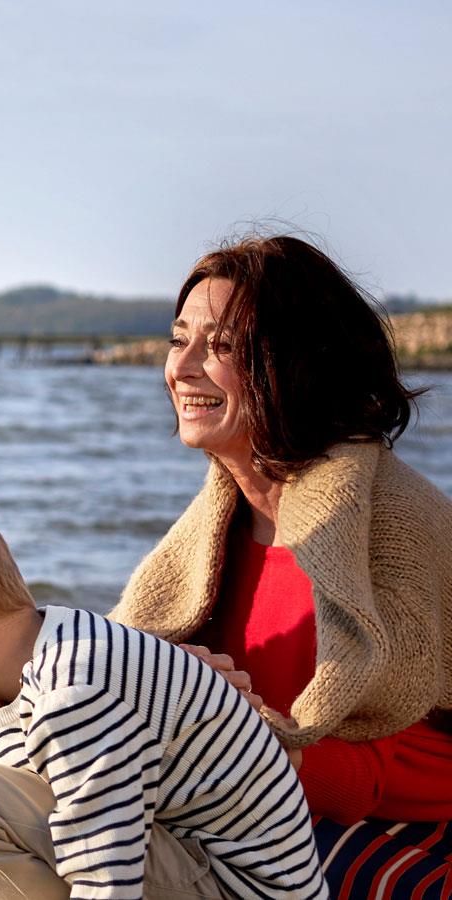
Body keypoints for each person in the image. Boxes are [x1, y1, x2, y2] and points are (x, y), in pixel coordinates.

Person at [109, 234, 452, 897]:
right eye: (179, 340)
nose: (183, 368)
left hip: (372, 836)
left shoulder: (398, 521)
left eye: (223, 348)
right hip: (245, 808)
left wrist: (214, 723)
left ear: (296, 363)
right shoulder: (211, 532)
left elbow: (384, 763)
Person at [0, 492, 327, 900]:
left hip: (238, 888)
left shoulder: (74, 693)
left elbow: (105, 872)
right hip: (177, 858)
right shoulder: (13, 678)